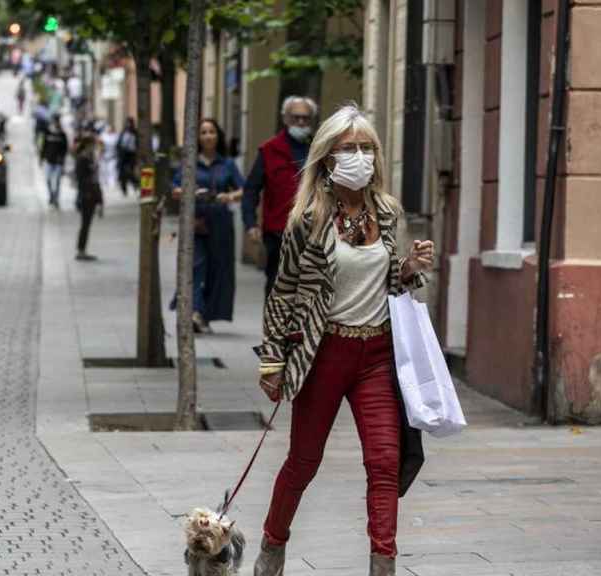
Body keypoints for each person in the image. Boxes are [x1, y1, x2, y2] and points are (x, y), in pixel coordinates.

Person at [252, 105, 435, 576]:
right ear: (328, 157)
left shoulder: (388, 213)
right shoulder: (308, 220)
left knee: (384, 462)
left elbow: (387, 279)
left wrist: (409, 269)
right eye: (349, 148)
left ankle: (384, 563)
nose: (360, 156)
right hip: (323, 354)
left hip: (376, 354)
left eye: (367, 147)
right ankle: (272, 547)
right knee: (303, 462)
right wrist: (273, 361)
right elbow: (284, 291)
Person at [171, 119, 244, 334]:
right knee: (195, 266)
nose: (208, 136)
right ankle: (193, 312)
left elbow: (244, 189)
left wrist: (228, 196)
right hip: (195, 221)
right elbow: (175, 189)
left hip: (220, 223)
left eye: (212, 131)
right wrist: (190, 193)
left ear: (218, 136)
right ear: (198, 137)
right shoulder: (190, 163)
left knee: (217, 271)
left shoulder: (227, 164)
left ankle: (204, 314)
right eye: (203, 132)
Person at [242, 96, 318, 295]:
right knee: (277, 283)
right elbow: (251, 189)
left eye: (305, 118)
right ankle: (273, 324)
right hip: (277, 231)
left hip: (313, 230)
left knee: (309, 286)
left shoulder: (320, 150)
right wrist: (250, 224)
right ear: (285, 118)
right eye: (296, 117)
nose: (301, 122)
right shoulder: (269, 150)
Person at [73, 121, 104, 261]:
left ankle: (82, 249)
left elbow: (95, 179)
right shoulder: (83, 159)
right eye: (93, 145)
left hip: (91, 195)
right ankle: (81, 250)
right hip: (86, 196)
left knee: (86, 224)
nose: (94, 148)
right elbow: (83, 180)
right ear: (88, 145)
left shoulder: (89, 158)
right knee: (85, 224)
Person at [40, 114, 69, 209]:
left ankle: (56, 198)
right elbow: (43, 146)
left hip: (58, 162)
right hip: (49, 161)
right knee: (48, 179)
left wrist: (63, 160)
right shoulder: (47, 133)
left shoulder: (62, 134)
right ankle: (51, 196)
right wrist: (41, 158)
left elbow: (65, 149)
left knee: (56, 181)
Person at [116, 118, 138, 196]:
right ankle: (124, 188)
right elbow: (118, 144)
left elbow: (137, 144)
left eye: (129, 123)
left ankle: (135, 184)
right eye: (127, 123)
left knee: (131, 172)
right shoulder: (123, 133)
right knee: (122, 173)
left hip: (132, 154)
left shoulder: (135, 133)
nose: (128, 125)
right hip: (123, 154)